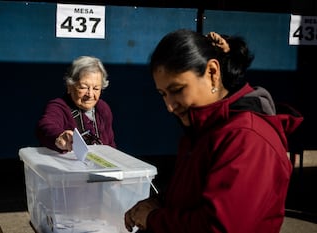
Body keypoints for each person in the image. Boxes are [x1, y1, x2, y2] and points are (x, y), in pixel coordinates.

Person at [124, 29, 303, 233]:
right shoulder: (203, 129)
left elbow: (221, 227)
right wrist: (158, 203)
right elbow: (191, 196)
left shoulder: (247, 137)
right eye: (163, 94)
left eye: (177, 90)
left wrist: (153, 218)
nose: (170, 106)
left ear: (212, 72)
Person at [36, 55, 116, 153]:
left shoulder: (103, 109)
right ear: (70, 86)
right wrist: (59, 137)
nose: (90, 94)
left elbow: (111, 146)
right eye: (83, 87)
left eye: (96, 88)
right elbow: (45, 127)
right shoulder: (58, 107)